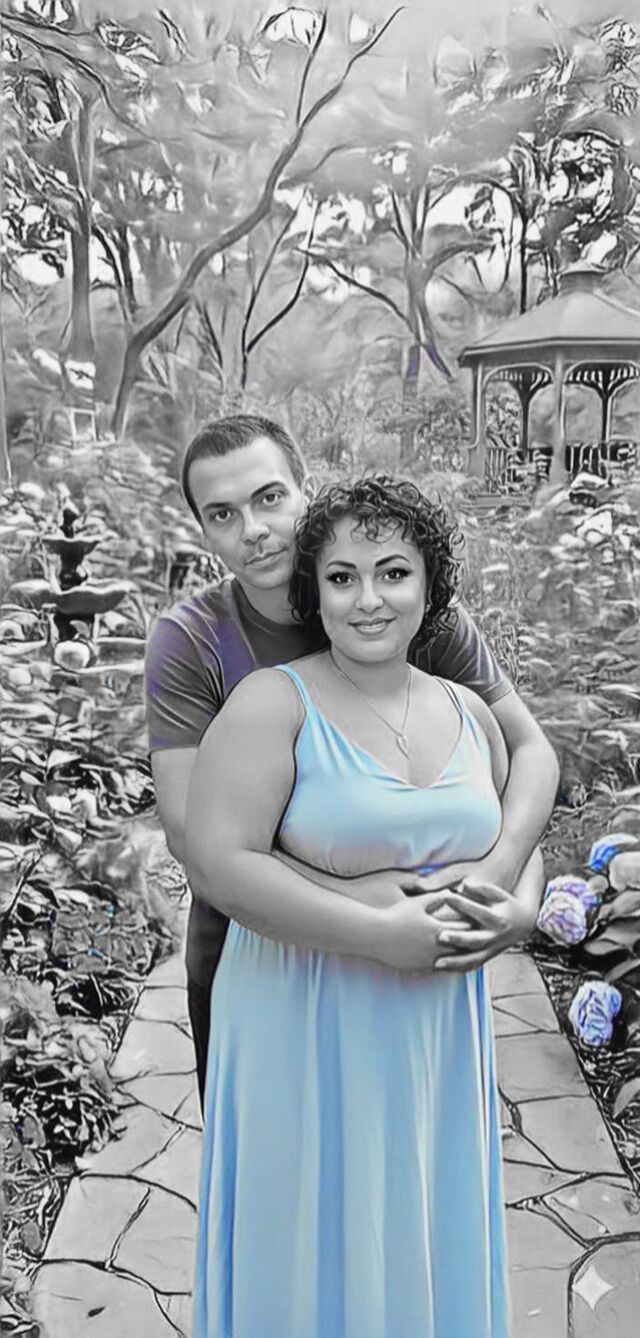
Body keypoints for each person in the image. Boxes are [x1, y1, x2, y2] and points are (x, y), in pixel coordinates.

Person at [186, 476, 545, 1338]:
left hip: (435, 1035)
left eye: (393, 572)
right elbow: (220, 863)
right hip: (302, 1018)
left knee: (422, 1227)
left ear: (430, 587)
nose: (369, 599)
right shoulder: (272, 704)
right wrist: (378, 933)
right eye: (342, 577)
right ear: (314, 592)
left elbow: (514, 834)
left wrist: (521, 908)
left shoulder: (468, 711)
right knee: (307, 1240)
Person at [144, 413, 558, 1105]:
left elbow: (526, 750)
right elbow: (192, 834)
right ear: (202, 530)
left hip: (418, 958)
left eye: (269, 497)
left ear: (304, 490)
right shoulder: (192, 641)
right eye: (223, 514)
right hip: (257, 949)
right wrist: (368, 906)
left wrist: (502, 881)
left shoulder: (394, 609)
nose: (253, 529)